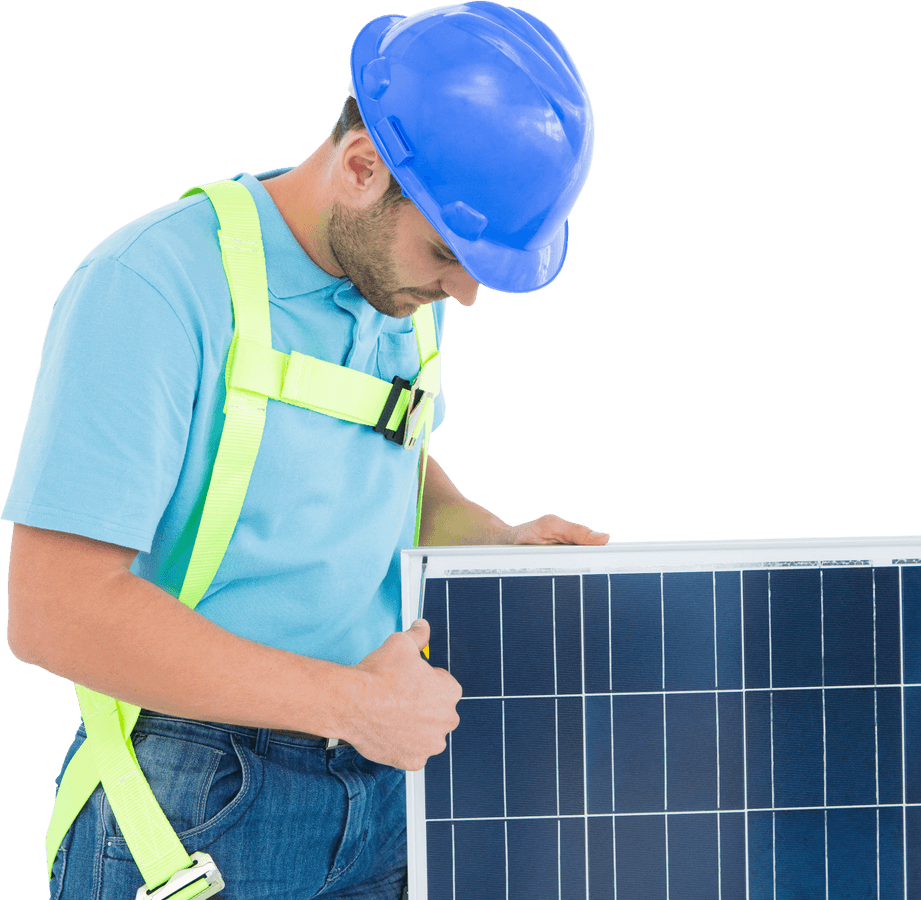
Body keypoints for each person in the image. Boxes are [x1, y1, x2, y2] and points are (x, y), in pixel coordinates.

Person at [4, 3, 603, 898]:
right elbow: (54, 611)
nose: (465, 294)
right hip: (199, 798)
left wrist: (494, 541)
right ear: (363, 169)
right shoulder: (152, 290)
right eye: (448, 254)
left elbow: (387, 463)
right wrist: (353, 703)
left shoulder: (395, 285)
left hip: (382, 784)